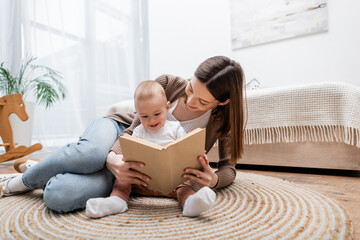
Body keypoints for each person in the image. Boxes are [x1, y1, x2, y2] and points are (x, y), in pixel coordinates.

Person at [0, 56, 246, 215]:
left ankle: (56, 167)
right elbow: (131, 131)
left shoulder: (222, 123)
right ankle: (22, 181)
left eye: (202, 101)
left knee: (59, 196)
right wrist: (112, 159)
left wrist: (213, 180)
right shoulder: (168, 84)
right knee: (92, 154)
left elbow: (229, 169)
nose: (190, 100)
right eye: (191, 89)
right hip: (119, 133)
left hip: (132, 170)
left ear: (223, 102)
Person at [85, 80, 216, 218]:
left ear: (167, 107)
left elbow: (183, 150)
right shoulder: (139, 131)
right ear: (138, 114)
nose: (152, 120)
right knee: (122, 180)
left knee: (185, 185)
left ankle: (190, 203)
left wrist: (196, 156)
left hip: (172, 183)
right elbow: (131, 153)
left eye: (157, 114)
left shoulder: (176, 128)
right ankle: (117, 201)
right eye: (144, 116)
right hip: (141, 181)